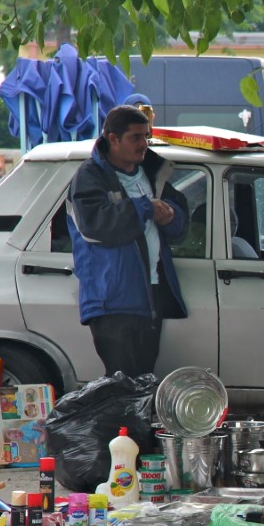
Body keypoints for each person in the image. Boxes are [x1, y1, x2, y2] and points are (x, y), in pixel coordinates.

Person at [67, 105, 188, 377]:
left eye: (146, 136)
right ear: (113, 139)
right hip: (112, 300)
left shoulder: (153, 172)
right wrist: (145, 207)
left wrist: (171, 216)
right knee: (121, 384)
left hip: (150, 294)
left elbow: (180, 220)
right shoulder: (89, 176)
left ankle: (136, 421)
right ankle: (121, 422)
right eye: (135, 137)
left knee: (142, 383)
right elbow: (96, 226)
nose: (143, 144)